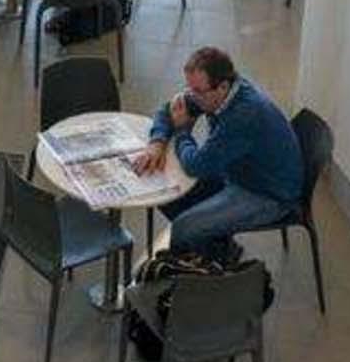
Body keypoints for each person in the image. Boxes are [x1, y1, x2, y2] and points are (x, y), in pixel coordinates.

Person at [129, 47, 304, 262]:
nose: (191, 96)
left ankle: (199, 271)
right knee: (165, 193)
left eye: (197, 91)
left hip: (268, 194)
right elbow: (168, 110)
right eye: (189, 88)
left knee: (184, 227)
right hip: (238, 171)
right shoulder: (217, 92)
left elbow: (196, 166)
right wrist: (156, 143)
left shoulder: (243, 115)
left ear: (222, 87)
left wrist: (183, 130)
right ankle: (217, 248)